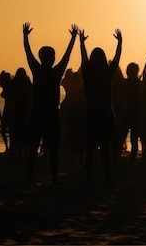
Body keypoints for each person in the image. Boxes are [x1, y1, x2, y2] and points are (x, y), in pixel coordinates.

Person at [23, 22, 79, 185]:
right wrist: (73, 38)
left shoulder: (37, 70)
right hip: (51, 114)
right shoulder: (56, 72)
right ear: (52, 58)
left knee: (34, 147)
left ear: (41, 58)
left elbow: (28, 53)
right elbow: (67, 56)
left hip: (38, 113)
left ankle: (30, 176)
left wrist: (25, 37)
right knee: (53, 148)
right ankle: (54, 177)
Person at [79, 28, 122, 185]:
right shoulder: (107, 72)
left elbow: (83, 58)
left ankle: (89, 176)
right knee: (105, 147)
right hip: (105, 112)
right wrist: (119, 42)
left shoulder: (87, 71)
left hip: (91, 112)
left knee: (90, 147)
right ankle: (107, 175)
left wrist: (82, 43)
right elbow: (116, 60)